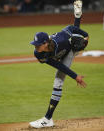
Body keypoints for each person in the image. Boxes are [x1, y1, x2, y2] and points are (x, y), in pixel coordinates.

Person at [29, 0, 89, 129]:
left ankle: (47, 119)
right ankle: (48, 119)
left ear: (45, 43)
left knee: (58, 82)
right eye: (35, 45)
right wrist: (75, 76)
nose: (36, 47)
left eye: (38, 44)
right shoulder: (39, 54)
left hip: (69, 50)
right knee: (58, 79)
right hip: (60, 56)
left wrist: (86, 37)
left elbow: (71, 28)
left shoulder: (61, 40)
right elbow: (58, 65)